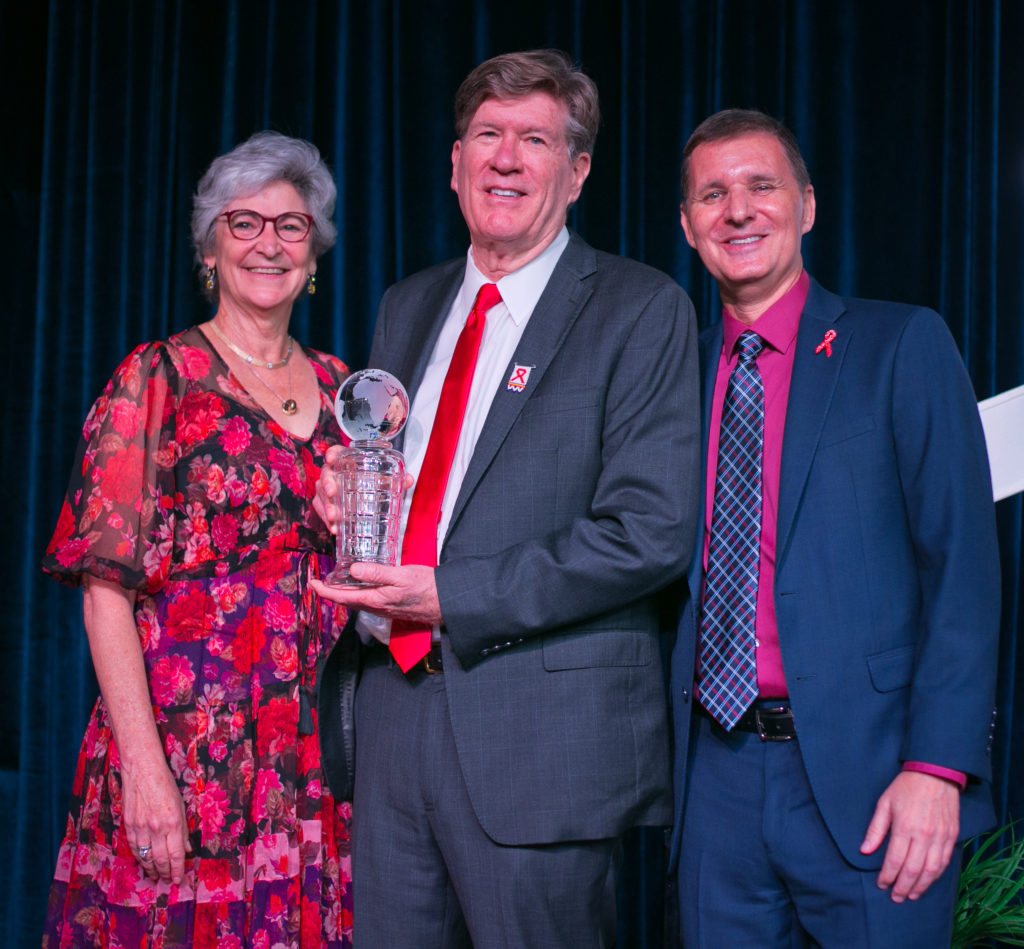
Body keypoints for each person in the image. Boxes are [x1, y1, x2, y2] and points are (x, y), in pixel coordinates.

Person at [310, 49, 700, 948]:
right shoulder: (407, 305)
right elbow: (412, 479)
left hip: (540, 736)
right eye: (487, 135)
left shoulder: (640, 310)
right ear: (454, 165)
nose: (507, 158)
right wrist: (351, 498)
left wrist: (452, 593)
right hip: (394, 708)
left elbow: (649, 532)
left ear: (579, 170)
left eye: (535, 138)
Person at [668, 108, 1001, 947]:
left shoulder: (901, 345)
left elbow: (962, 568)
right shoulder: (672, 377)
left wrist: (937, 768)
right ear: (687, 225)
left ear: (807, 206)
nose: (737, 210)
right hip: (715, 781)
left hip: (875, 778)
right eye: (713, 194)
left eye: (760, 186)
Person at [42, 131, 355, 948]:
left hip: (312, 751)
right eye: (243, 222)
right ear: (209, 246)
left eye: (291, 226)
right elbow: (105, 588)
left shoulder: (342, 387)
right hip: (187, 740)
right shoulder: (156, 377)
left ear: (313, 253)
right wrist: (145, 766)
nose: (268, 243)